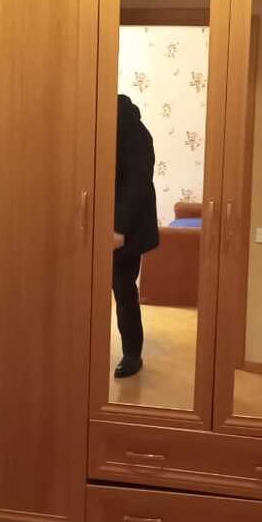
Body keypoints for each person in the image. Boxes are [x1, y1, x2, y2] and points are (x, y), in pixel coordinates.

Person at [113, 94, 159, 378]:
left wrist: (119, 228)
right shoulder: (93, 122)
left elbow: (137, 181)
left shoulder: (132, 128)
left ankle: (132, 354)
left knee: (123, 289)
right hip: (96, 222)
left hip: (126, 227)